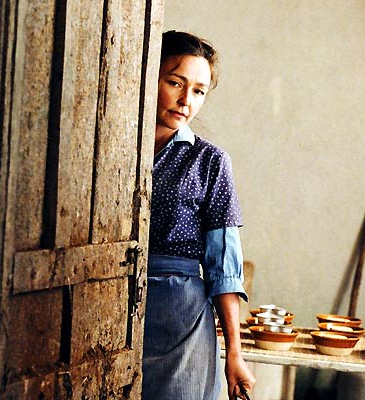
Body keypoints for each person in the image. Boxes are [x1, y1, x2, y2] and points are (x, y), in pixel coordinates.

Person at [142, 30, 256, 400]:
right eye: (175, 83)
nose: (186, 101)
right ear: (148, 76)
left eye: (199, 91)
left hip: (182, 325)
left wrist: (234, 354)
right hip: (106, 307)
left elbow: (224, 268)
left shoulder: (210, 161)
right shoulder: (112, 147)